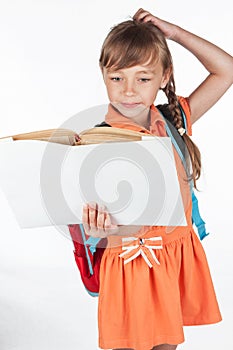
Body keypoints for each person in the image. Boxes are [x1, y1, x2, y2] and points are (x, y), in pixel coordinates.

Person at [80, 8, 233, 350]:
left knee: (167, 346)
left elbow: (226, 70)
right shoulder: (98, 140)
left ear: (164, 76)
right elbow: (102, 216)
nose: (129, 90)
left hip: (173, 256)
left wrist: (174, 33)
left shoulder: (171, 119)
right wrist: (100, 229)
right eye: (117, 78)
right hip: (130, 261)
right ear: (104, 76)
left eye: (143, 78)